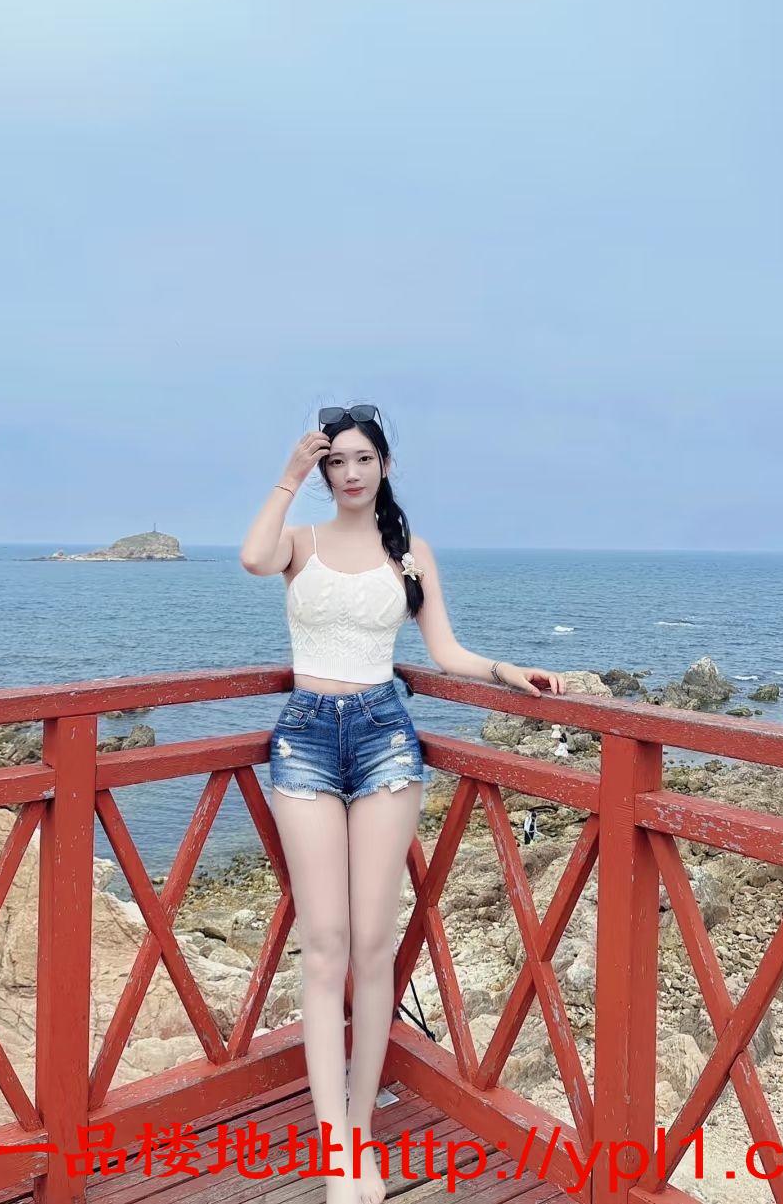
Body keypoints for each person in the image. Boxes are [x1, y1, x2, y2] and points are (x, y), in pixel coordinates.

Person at [240, 403, 564, 1204]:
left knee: (374, 944)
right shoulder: (300, 542)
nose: (349, 473)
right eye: (335, 461)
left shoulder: (408, 552)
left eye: (361, 458)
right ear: (322, 470)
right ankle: (334, 1151)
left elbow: (442, 648)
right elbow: (252, 557)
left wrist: (504, 670)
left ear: (383, 463)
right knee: (324, 943)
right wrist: (287, 474)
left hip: (385, 736)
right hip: (306, 738)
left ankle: (360, 1131)